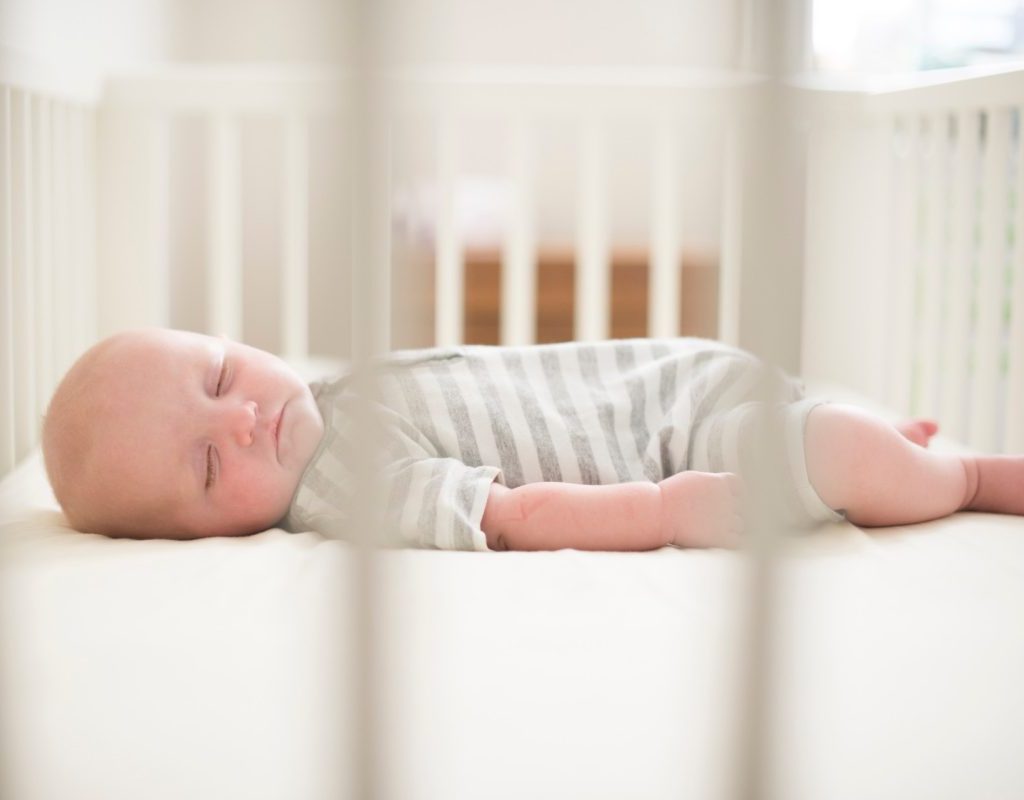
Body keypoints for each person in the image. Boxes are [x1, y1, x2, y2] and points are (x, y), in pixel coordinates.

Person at [41, 327, 1024, 550]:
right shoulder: (344, 486)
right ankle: (969, 476)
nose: (243, 418)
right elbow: (513, 514)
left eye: (221, 378)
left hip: (672, 379)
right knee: (838, 453)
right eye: (210, 463)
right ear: (198, 534)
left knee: (828, 431)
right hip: (685, 443)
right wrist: (668, 510)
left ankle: (876, 446)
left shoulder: (327, 395)